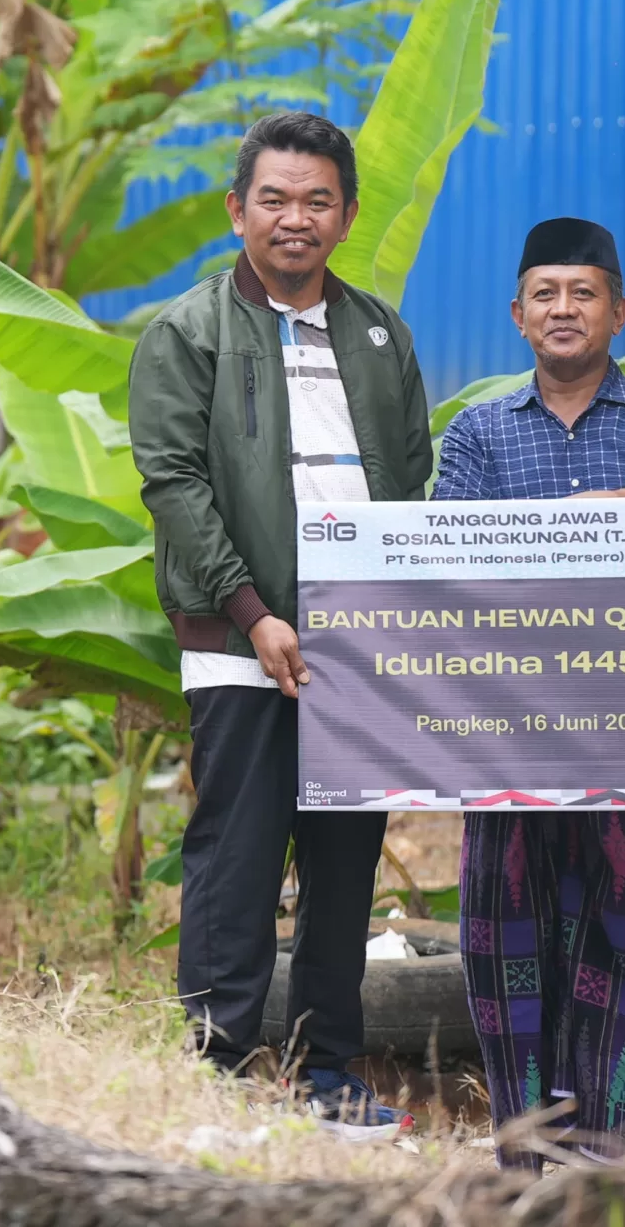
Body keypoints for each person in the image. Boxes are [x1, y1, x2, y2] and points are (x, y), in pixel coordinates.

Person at [129, 110, 430, 1128]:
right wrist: (252, 613)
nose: (293, 218)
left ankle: (328, 1068)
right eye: (273, 199)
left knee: (343, 861)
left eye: (315, 200)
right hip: (237, 642)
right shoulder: (189, 330)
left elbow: (410, 468)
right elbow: (173, 484)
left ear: (344, 214)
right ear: (236, 212)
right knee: (239, 853)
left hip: (356, 647)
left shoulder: (378, 331)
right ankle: (215, 1061)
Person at [433, 218, 625, 1162]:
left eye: (584, 293)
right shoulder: (474, 433)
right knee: (508, 937)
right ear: (518, 316)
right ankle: (530, 1157)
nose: (565, 310)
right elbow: (456, 567)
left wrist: (580, 534)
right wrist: (597, 520)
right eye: (546, 295)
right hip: (505, 732)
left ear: (618, 311)